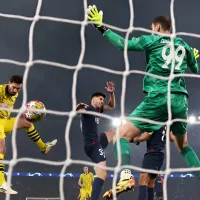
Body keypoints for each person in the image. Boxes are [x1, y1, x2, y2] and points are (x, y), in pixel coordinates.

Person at [86, 5, 200, 198]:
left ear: (156, 27)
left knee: (120, 134)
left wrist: (100, 27)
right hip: (181, 100)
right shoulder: (183, 45)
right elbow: (196, 69)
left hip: (159, 97)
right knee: (184, 145)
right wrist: (193, 58)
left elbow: (123, 44)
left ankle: (125, 175)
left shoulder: (152, 39)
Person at [0, 75, 57, 194]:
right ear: (8, 83)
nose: (15, 90)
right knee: (1, 147)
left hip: (4, 121)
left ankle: (44, 148)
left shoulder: (14, 94)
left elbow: (7, 111)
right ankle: (1, 183)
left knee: (27, 123)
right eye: (14, 87)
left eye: (18, 89)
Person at [76, 81, 116, 200]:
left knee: (115, 131)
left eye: (103, 100)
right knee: (102, 174)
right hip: (92, 145)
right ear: (93, 99)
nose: (102, 101)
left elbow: (112, 106)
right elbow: (80, 110)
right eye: (100, 99)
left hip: (97, 141)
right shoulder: (88, 108)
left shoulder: (98, 110)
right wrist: (78, 108)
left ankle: (122, 157)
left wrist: (112, 93)